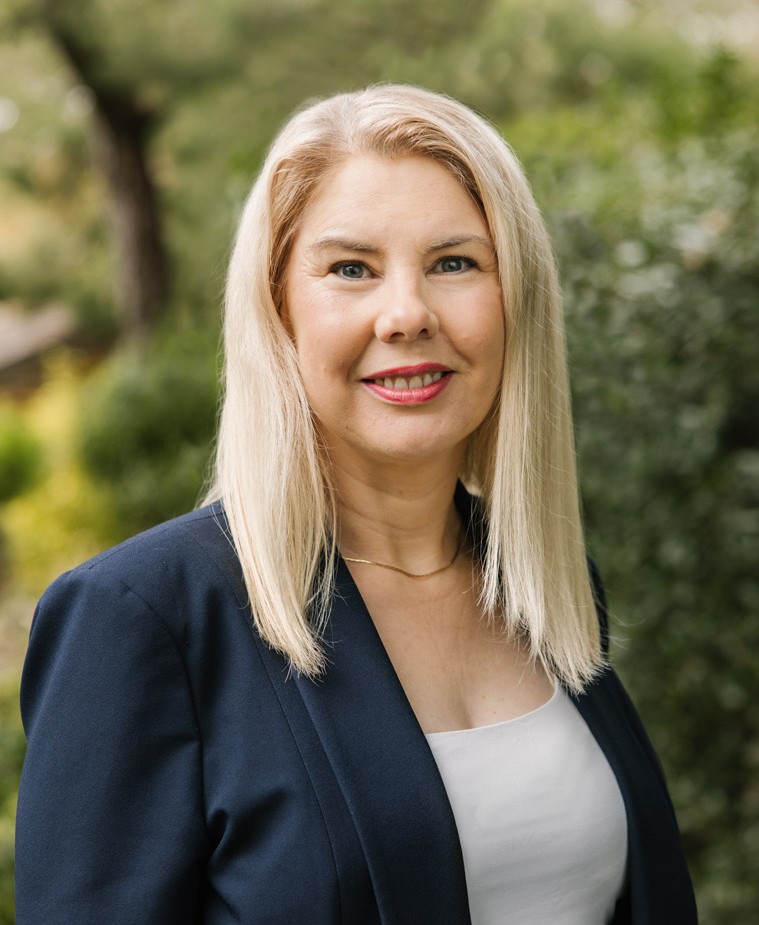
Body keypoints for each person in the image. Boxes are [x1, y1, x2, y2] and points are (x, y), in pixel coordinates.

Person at [15, 85, 697, 924]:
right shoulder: (141, 618)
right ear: (279, 310)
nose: (406, 313)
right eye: (350, 269)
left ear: (516, 299)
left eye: (454, 262)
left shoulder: (545, 586)